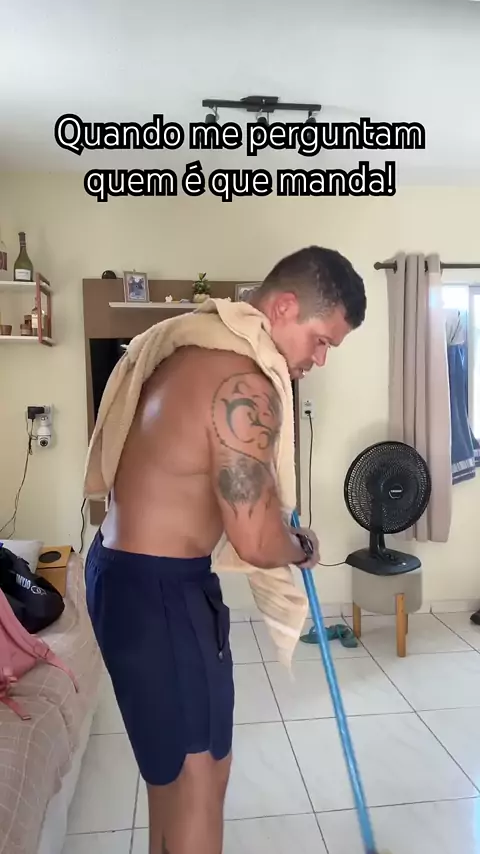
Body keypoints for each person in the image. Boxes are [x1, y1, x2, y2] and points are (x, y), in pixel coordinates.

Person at [84, 245, 366, 854]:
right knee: (197, 785)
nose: (318, 360)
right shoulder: (243, 385)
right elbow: (257, 540)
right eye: (321, 340)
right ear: (284, 307)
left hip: (126, 577)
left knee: (179, 776)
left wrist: (277, 529)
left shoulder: (190, 352)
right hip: (161, 593)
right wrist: (300, 546)